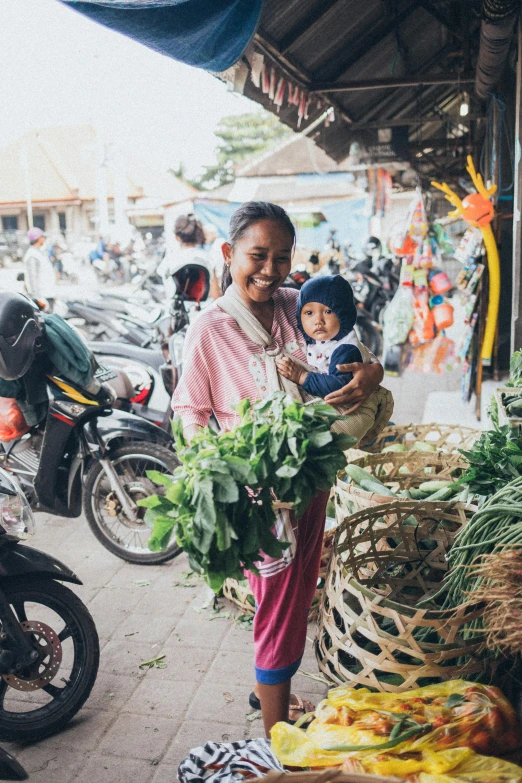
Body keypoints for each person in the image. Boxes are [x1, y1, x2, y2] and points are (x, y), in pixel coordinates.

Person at [172, 201, 384, 736]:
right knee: (278, 605)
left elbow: (352, 344)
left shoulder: (296, 304)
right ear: (228, 254)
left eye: (282, 257)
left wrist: (371, 373)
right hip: (259, 495)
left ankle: (274, 693)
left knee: (299, 587)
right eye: (257, 256)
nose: (270, 270)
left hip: (311, 479)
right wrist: (221, 479)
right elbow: (189, 414)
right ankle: (275, 738)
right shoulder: (209, 331)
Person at [275, 275, 367, 398]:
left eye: (328, 311)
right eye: (309, 313)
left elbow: (339, 387)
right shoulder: (322, 338)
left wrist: (301, 376)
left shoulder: (345, 349)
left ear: (344, 313)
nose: (318, 321)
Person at [23, 228, 57, 310]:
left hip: (47, 295)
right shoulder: (33, 256)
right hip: (42, 298)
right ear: (39, 238)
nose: (44, 239)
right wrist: (38, 299)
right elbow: (33, 278)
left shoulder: (38, 253)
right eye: (43, 237)